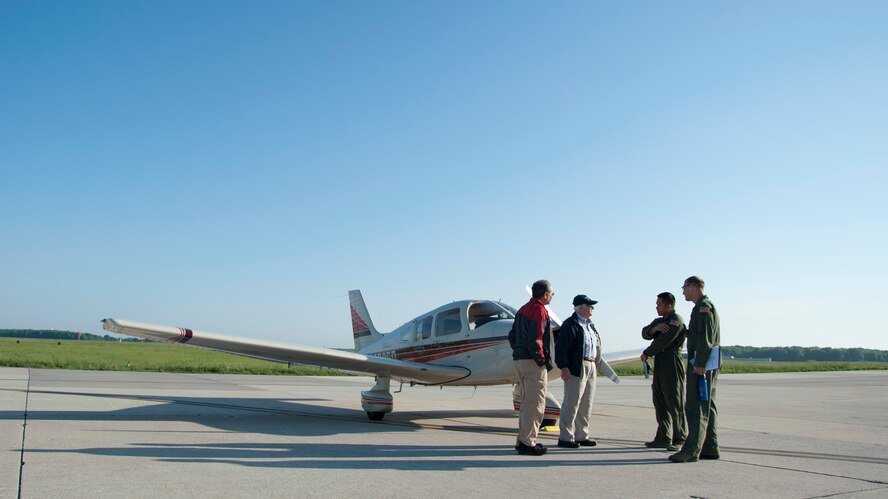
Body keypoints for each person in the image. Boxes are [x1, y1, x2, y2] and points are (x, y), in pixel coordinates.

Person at [669, 276, 721, 463]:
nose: (682, 292)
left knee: (695, 406)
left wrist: (699, 364)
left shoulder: (702, 307)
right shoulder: (704, 307)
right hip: (708, 362)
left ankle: (691, 450)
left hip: (702, 363)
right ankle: (710, 446)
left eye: (684, 288)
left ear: (693, 286)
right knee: (708, 405)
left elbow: (705, 339)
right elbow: (699, 334)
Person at [509, 279, 555, 456]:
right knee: (535, 404)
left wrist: (519, 353)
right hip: (533, 363)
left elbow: (512, 336)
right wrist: (542, 360)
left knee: (526, 403)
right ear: (545, 294)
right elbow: (536, 339)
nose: (552, 296)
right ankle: (528, 442)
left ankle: (522, 440)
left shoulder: (522, 309)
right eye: (551, 293)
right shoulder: (539, 310)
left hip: (519, 361)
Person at [640, 292, 687, 451]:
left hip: (672, 361)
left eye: (659, 305)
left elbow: (664, 341)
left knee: (675, 400)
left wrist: (647, 352)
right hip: (660, 362)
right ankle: (663, 437)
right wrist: (654, 329)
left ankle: (680, 438)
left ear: (669, 306)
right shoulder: (659, 321)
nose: (656, 307)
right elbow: (644, 332)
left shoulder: (676, 321)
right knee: (659, 399)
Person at [554, 294, 601, 449]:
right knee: (572, 402)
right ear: (581, 307)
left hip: (591, 365)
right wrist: (564, 367)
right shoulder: (570, 324)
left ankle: (582, 435)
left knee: (586, 403)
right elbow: (561, 348)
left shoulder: (591, 325)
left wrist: (597, 363)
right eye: (589, 305)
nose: (592, 308)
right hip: (577, 366)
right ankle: (565, 437)